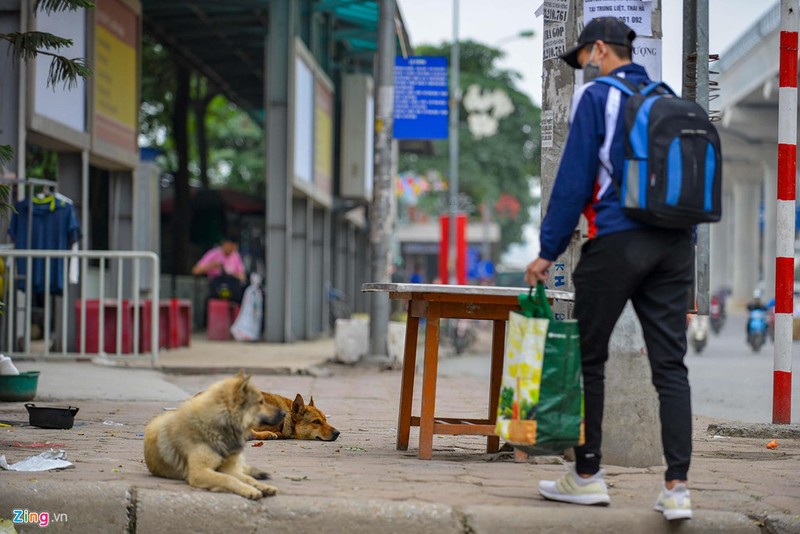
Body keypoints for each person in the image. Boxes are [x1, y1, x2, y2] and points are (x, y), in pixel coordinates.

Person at [524, 18, 694, 521]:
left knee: (589, 359)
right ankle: (677, 488)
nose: (583, 69)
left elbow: (574, 180)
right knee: (670, 367)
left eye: (583, 60)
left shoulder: (597, 96)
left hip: (616, 240)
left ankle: (587, 476)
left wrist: (547, 251)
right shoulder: (668, 97)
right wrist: (685, 261)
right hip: (674, 244)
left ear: (600, 49)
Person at [192, 236, 246, 304]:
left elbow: (243, 276)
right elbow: (195, 270)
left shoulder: (236, 256)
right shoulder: (213, 253)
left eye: (233, 247)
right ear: (224, 244)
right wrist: (212, 265)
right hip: (216, 287)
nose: (231, 249)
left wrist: (231, 273)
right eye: (229, 246)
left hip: (232, 289)